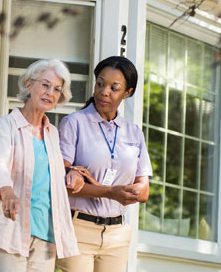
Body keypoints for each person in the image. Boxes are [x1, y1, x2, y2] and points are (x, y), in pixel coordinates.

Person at [0, 59, 80, 272]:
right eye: (45, 84)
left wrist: (72, 173)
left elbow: (48, 174)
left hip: (44, 238)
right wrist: (7, 191)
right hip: (7, 233)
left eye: (57, 89)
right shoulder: (8, 126)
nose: (50, 92)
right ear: (29, 84)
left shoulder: (52, 134)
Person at [55, 56, 152, 272]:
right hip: (77, 229)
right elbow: (61, 184)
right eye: (100, 83)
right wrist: (110, 191)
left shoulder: (134, 133)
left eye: (114, 88)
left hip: (117, 235)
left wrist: (120, 190)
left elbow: (143, 191)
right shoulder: (74, 123)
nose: (104, 91)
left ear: (127, 92)